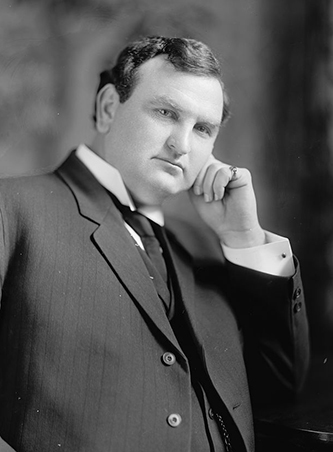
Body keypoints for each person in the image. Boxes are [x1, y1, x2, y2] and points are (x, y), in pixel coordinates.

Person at [0, 36, 309, 452]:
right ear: (109, 107)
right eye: (165, 112)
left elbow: (280, 387)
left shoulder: (206, 243)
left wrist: (245, 239)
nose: (182, 145)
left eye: (203, 129)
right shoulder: (12, 208)